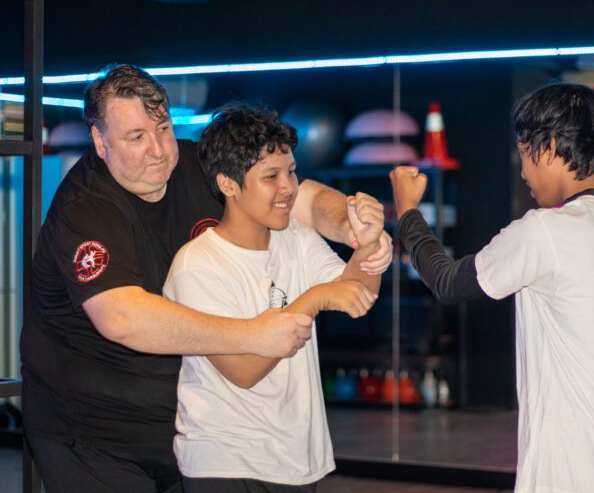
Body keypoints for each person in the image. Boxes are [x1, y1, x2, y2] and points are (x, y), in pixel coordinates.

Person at [20, 64, 391, 493]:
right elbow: (121, 317)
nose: (158, 149)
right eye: (135, 137)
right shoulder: (86, 209)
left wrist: (350, 227)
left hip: (177, 425)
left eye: (162, 128)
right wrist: (251, 334)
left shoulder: (195, 164)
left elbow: (299, 194)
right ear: (100, 142)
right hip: (89, 432)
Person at [390, 83, 594, 493]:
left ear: (547, 147)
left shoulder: (546, 232)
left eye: (523, 152)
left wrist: (408, 212)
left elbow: (446, 282)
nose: (523, 170)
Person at [163, 104, 383, 492]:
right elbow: (244, 370)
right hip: (225, 462)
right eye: (271, 176)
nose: (289, 188)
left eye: (292, 171)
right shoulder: (196, 265)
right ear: (228, 184)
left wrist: (367, 244)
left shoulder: (296, 238)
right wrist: (314, 299)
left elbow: (356, 295)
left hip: (295, 457)